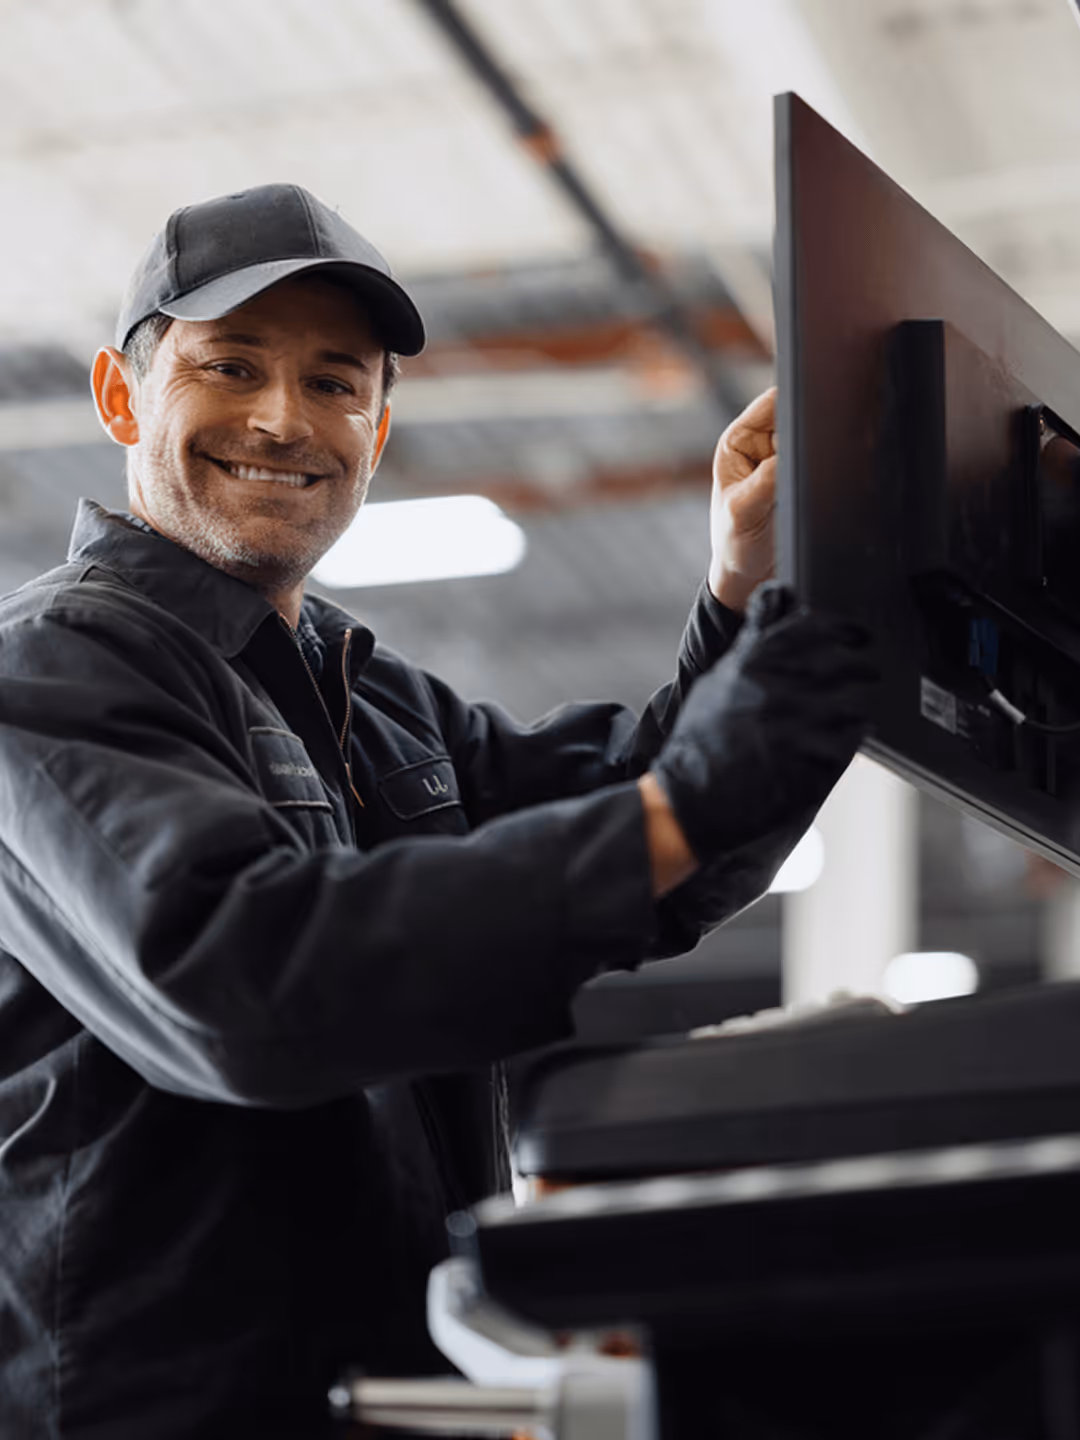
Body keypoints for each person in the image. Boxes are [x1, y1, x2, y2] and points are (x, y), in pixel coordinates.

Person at [0, 183, 875, 1439]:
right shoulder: (54, 665)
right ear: (122, 395)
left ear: (380, 427)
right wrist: (679, 805)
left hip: (406, 1395)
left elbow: (648, 843)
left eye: (336, 383)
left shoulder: (372, 693)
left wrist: (744, 592)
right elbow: (246, 979)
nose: (283, 417)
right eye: (229, 366)